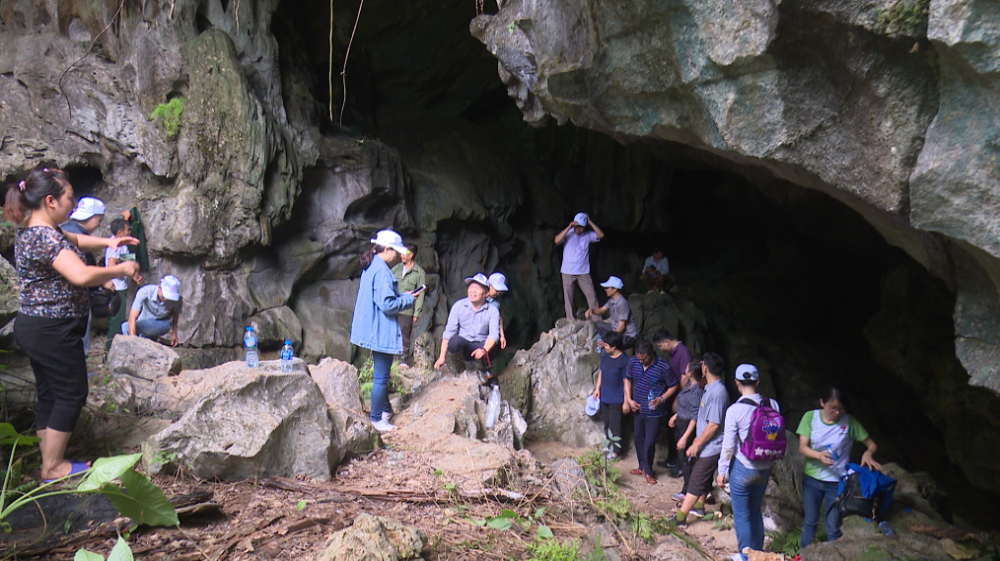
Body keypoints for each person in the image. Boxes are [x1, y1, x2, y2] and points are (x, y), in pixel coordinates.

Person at [5, 167, 139, 481]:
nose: (73, 204)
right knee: (71, 392)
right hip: (52, 330)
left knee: (50, 393)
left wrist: (108, 243)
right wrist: (120, 270)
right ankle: (54, 467)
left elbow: (76, 238)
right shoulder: (44, 237)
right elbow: (80, 274)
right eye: (69, 198)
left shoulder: (37, 228)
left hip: (37, 327)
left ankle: (50, 459)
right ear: (50, 201)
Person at [797, 387, 882, 549]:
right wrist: (818, 456)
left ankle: (836, 554)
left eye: (841, 409)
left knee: (833, 526)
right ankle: (804, 555)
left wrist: (868, 454)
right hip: (812, 480)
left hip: (837, 482)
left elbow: (871, 444)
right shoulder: (810, 417)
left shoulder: (849, 422)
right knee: (810, 521)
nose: (837, 413)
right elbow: (802, 447)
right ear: (822, 403)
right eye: (832, 408)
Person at [350, 230, 417, 433]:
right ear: (386, 249)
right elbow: (387, 304)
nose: (397, 256)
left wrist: (399, 294)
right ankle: (377, 419)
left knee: (382, 373)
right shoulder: (382, 271)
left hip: (371, 326)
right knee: (381, 377)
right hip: (380, 329)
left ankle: (385, 410)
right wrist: (407, 299)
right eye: (394, 251)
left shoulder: (372, 265)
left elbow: (381, 296)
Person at [717, 364, 781, 561]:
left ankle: (745, 557)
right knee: (756, 511)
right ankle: (758, 553)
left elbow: (728, 445)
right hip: (764, 469)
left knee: (742, 515)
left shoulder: (735, 410)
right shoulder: (773, 405)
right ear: (758, 382)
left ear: (737, 383)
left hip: (743, 469)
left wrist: (722, 471)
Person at [671, 352, 728, 525]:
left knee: (695, 481)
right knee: (702, 478)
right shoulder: (710, 388)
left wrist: (696, 443)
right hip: (706, 445)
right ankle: (699, 507)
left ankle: (680, 518)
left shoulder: (717, 392)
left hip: (711, 446)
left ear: (705, 368)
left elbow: (714, 425)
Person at [623, 340, 678, 485]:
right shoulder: (633, 362)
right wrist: (628, 399)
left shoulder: (663, 366)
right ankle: (642, 467)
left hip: (655, 412)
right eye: (639, 357)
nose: (641, 361)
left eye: (644, 358)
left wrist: (662, 399)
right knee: (638, 438)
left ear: (651, 353)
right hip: (638, 409)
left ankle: (648, 471)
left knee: (650, 442)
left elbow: (673, 385)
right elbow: (627, 380)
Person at [433, 273, 501, 384]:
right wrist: (442, 357)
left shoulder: (492, 310)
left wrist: (484, 350)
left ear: (486, 293)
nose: (473, 290)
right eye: (471, 287)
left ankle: (481, 370)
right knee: (454, 342)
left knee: (492, 345)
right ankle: (461, 372)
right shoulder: (459, 306)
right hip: (464, 347)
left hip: (481, 347)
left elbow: (494, 334)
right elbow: (449, 332)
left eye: (478, 288)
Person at [60, 196, 106, 355]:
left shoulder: (64, 228)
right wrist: (104, 279)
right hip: (73, 299)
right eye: (99, 220)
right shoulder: (78, 237)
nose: (99, 224)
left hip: (62, 302)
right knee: (79, 342)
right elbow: (79, 271)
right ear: (93, 217)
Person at [554, 212, 604, 320]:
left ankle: (597, 320)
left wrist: (590, 222)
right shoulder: (568, 233)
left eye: (581, 227)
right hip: (567, 271)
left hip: (583, 272)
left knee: (591, 296)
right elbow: (557, 241)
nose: (579, 229)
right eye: (577, 227)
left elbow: (601, 235)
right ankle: (570, 320)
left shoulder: (588, 235)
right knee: (568, 298)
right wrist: (568, 227)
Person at [654, 329, 693, 469]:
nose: (660, 349)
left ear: (666, 341)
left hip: (681, 398)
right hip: (673, 396)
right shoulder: (674, 353)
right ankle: (671, 459)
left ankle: (680, 464)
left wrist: (677, 397)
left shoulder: (683, 352)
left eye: (660, 345)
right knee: (671, 428)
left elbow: (684, 378)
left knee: (679, 431)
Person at [591, 331, 630, 460]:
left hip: (616, 399)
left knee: (616, 426)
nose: (604, 347)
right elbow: (601, 372)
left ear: (614, 346)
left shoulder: (624, 361)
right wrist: (597, 389)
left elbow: (626, 382)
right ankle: (608, 445)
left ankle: (615, 451)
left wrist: (626, 401)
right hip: (605, 396)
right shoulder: (605, 356)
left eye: (606, 345)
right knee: (607, 423)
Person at [668, 360, 704, 491]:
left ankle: (687, 490)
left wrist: (684, 437)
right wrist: (676, 415)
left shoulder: (696, 392)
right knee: (682, 457)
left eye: (687, 368)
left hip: (687, 426)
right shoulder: (689, 386)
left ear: (690, 373)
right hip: (681, 422)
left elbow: (694, 416)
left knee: (687, 459)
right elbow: (685, 407)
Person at [104, 218, 139, 351]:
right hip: (116, 288)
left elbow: (125, 265)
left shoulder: (123, 245)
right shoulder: (115, 246)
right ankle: (109, 353)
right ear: (120, 232)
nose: (130, 231)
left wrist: (134, 275)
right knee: (116, 322)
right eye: (127, 229)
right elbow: (111, 268)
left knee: (119, 320)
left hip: (122, 286)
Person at [122, 276, 183, 346]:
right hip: (145, 322)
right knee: (128, 327)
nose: (166, 299)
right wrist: (133, 340)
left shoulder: (177, 299)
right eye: (165, 295)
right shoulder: (145, 291)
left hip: (163, 323)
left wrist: (174, 333)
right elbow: (132, 316)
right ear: (159, 288)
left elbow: (175, 313)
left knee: (126, 326)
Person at [391, 243, 425, 366]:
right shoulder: (396, 268)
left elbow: (421, 294)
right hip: (392, 307)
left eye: (403, 253)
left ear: (411, 255)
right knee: (390, 334)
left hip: (406, 310)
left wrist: (416, 313)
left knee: (404, 336)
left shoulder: (419, 273)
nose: (401, 255)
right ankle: (389, 362)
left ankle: (402, 363)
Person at [585, 276, 637, 350]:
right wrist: (591, 310)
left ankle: (607, 343)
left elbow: (622, 326)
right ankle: (606, 340)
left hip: (627, 336)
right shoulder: (612, 300)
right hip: (615, 330)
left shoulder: (621, 303)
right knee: (598, 324)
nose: (605, 290)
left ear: (615, 289)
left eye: (607, 288)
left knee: (606, 346)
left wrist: (609, 339)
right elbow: (602, 310)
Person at [487, 272, 508, 349]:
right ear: (490, 285)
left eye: (500, 291)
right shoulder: (478, 297)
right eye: (497, 290)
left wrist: (502, 335)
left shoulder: (497, 302)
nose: (498, 293)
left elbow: (499, 317)